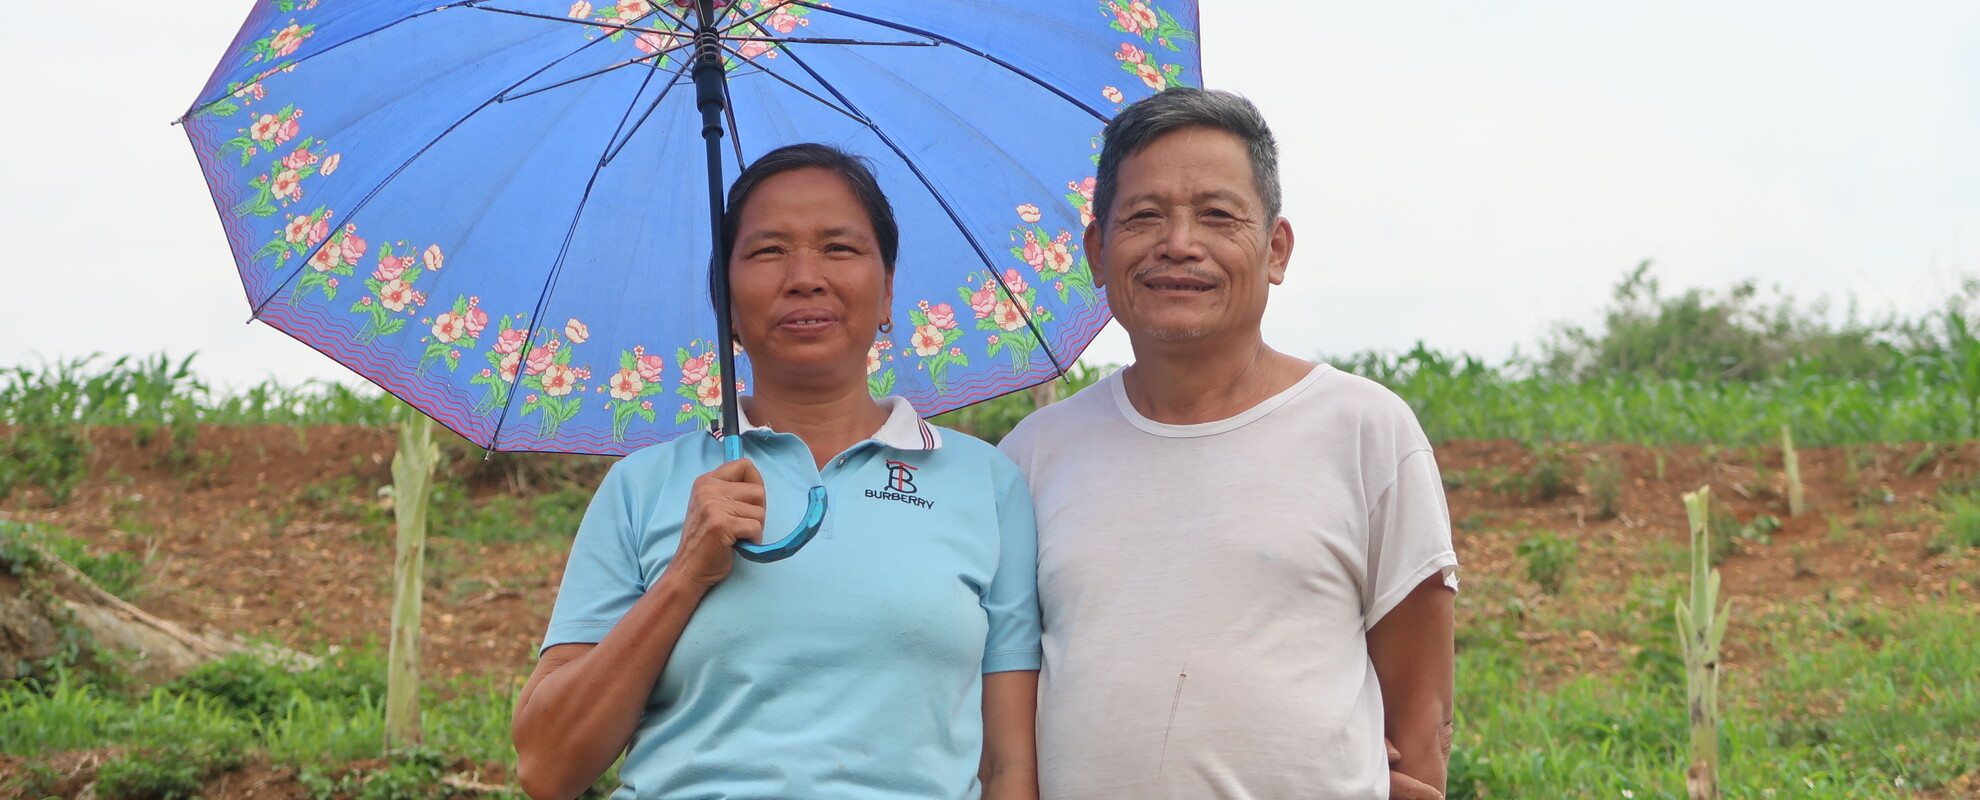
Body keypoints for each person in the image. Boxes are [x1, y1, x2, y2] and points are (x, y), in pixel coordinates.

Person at [512, 143, 1042, 800]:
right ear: (727, 304)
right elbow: (546, 765)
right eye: (767, 252)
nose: (805, 277)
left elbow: (1009, 767)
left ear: (888, 290)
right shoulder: (640, 486)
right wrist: (684, 576)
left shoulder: (987, 485)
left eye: (839, 248)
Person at [998, 89, 1458, 799]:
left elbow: (1420, 719)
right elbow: (1008, 702)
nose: (1178, 244)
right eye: (1144, 216)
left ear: (1275, 249)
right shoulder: (1033, 454)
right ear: (1096, 251)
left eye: (1217, 216)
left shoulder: (1365, 430)